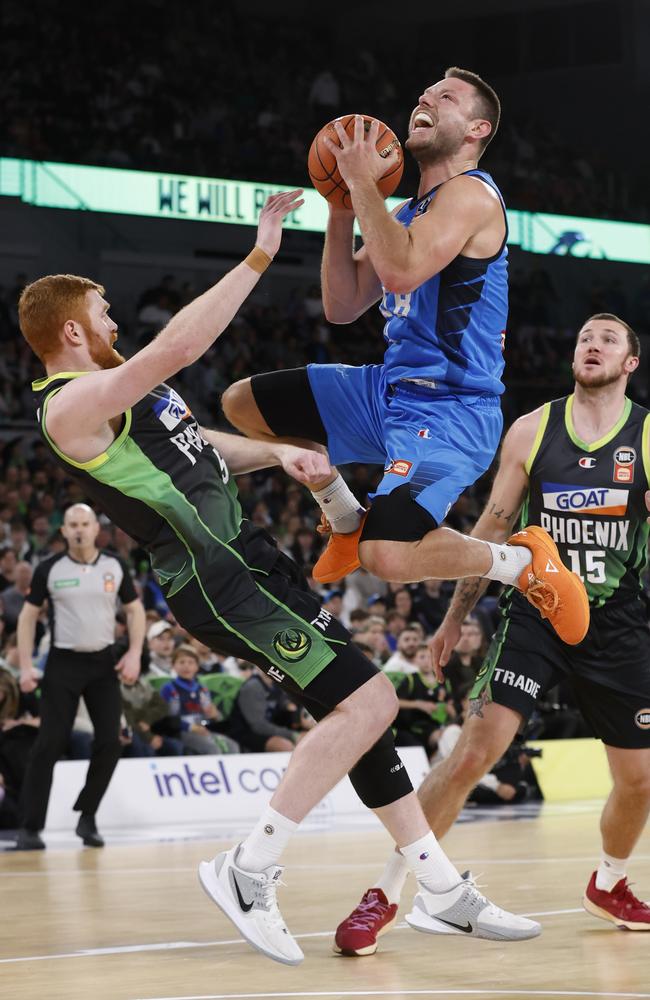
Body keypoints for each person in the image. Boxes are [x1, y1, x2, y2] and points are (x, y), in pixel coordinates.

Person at [18, 191, 539, 965]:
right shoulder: (69, 408)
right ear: (71, 330)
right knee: (374, 699)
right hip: (218, 579)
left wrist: (278, 455)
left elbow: (198, 445)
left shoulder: (121, 396)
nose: (115, 324)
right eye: (103, 314)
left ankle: (436, 886)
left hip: (249, 557)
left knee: (360, 722)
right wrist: (260, 253)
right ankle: (249, 867)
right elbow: (175, 351)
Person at [221, 67, 588, 650]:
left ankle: (522, 563)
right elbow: (341, 306)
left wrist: (363, 183)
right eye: (423, 93)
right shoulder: (409, 215)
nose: (423, 99)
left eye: (443, 98)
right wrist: (341, 206)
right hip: (388, 391)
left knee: (387, 556)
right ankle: (343, 517)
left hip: (452, 411)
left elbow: (400, 270)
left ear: (476, 129)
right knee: (243, 402)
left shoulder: (472, 194)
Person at [334, 313, 650, 956]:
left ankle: (609, 882)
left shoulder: (646, 437)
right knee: (474, 752)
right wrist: (454, 619)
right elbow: (494, 528)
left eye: (607, 339)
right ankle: (387, 892)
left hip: (618, 621)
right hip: (536, 611)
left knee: (641, 778)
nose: (591, 344)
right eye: (584, 336)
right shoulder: (533, 429)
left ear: (630, 363)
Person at [15, 503, 146, 849]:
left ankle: (87, 817)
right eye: (71, 524)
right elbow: (28, 618)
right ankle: (30, 828)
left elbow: (134, 611)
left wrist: (134, 653)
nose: (78, 530)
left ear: (94, 528)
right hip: (63, 664)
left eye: (84, 524)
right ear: (63, 530)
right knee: (49, 744)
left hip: (103, 664)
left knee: (110, 741)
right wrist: (27, 666)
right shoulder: (49, 569)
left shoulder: (115, 565)